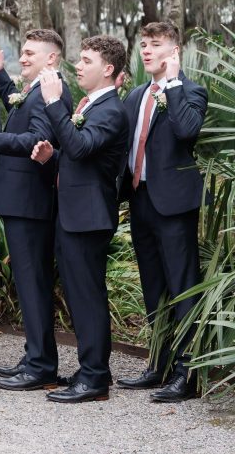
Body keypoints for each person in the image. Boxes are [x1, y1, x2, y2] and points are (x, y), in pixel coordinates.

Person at [0, 31, 72, 391]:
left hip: (31, 202)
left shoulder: (53, 91)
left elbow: (37, 138)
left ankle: (41, 366)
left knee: (33, 284)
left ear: (51, 58)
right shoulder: (37, 90)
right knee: (28, 284)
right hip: (19, 201)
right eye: (21, 53)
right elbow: (20, 111)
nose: (22, 58)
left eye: (29, 54)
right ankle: (34, 355)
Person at [33, 35, 130, 403]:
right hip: (73, 215)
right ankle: (89, 368)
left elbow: (80, 145)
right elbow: (78, 158)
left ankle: (95, 378)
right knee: (78, 296)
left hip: (89, 219)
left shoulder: (111, 110)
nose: (77, 65)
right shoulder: (92, 105)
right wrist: (50, 159)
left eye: (86, 60)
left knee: (88, 298)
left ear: (108, 69)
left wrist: (55, 103)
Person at [117, 21, 207, 403]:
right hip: (140, 201)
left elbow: (187, 131)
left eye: (155, 45)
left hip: (174, 205)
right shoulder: (136, 95)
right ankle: (159, 364)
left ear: (174, 51)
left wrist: (171, 84)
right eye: (143, 45)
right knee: (153, 288)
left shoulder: (191, 91)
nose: (146, 51)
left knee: (182, 288)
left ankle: (187, 375)